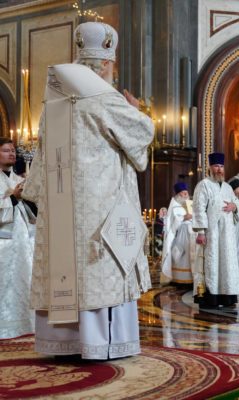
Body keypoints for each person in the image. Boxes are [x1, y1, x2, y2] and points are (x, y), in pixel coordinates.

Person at [22, 22, 154, 359]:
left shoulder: (54, 99)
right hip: (100, 206)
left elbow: (40, 154)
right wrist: (137, 110)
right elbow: (142, 132)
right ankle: (99, 343)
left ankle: (62, 343)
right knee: (100, 270)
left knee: (67, 266)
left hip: (61, 204)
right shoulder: (105, 97)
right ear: (107, 63)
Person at [192, 152, 239, 308]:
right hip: (211, 233)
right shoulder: (203, 185)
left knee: (226, 263)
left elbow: (237, 204)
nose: (219, 169)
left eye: (221, 166)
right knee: (211, 263)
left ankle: (227, 297)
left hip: (227, 234)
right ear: (210, 167)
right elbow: (198, 208)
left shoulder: (228, 187)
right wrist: (201, 232)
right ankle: (211, 298)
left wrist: (235, 207)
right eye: (216, 166)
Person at [0, 138, 36, 339]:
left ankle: (27, 323)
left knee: (25, 280)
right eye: (6, 150)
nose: (12, 153)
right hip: (4, 243)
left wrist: (29, 196)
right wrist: (13, 197)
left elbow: (32, 212)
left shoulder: (18, 179)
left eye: (13, 150)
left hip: (23, 241)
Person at [161, 182, 195, 285]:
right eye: (184, 193)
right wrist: (184, 217)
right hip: (180, 235)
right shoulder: (174, 206)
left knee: (189, 257)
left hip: (191, 233)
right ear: (178, 194)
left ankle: (190, 279)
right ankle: (179, 279)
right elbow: (172, 223)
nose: (186, 195)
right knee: (181, 256)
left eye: (186, 193)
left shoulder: (190, 204)